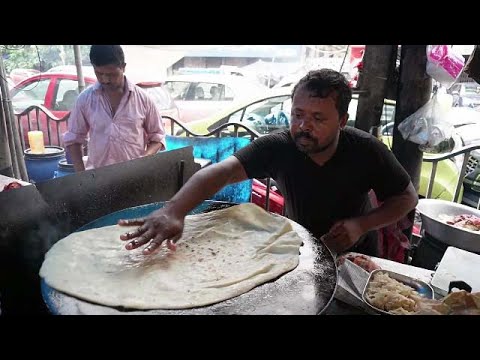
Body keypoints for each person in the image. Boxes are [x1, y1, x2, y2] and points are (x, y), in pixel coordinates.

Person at [118, 69, 418, 257]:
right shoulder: (280, 146)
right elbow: (221, 172)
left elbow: (407, 197)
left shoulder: (367, 150)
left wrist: (361, 225)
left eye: (318, 118)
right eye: (298, 114)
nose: (303, 126)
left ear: (342, 121)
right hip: (300, 249)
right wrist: (174, 210)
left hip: (357, 256)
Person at [64, 45, 166, 172]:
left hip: (133, 175)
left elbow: (158, 138)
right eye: (99, 73)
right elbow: (74, 139)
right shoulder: (84, 100)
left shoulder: (144, 100)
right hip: (98, 177)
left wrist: (143, 160)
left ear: (123, 67)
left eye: (111, 74)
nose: (105, 80)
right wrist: (81, 176)